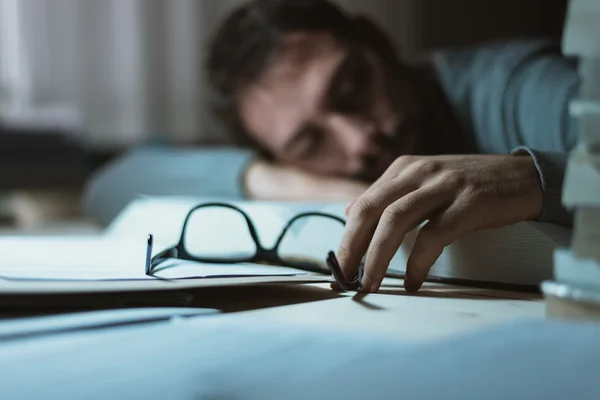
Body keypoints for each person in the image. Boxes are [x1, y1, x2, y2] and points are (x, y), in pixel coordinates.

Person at [83, 0, 580, 293]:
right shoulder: (286, 163)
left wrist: (533, 177)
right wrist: (278, 178)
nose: (361, 139)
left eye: (352, 87)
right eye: (309, 141)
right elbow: (110, 184)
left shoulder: (514, 87)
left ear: (377, 41)